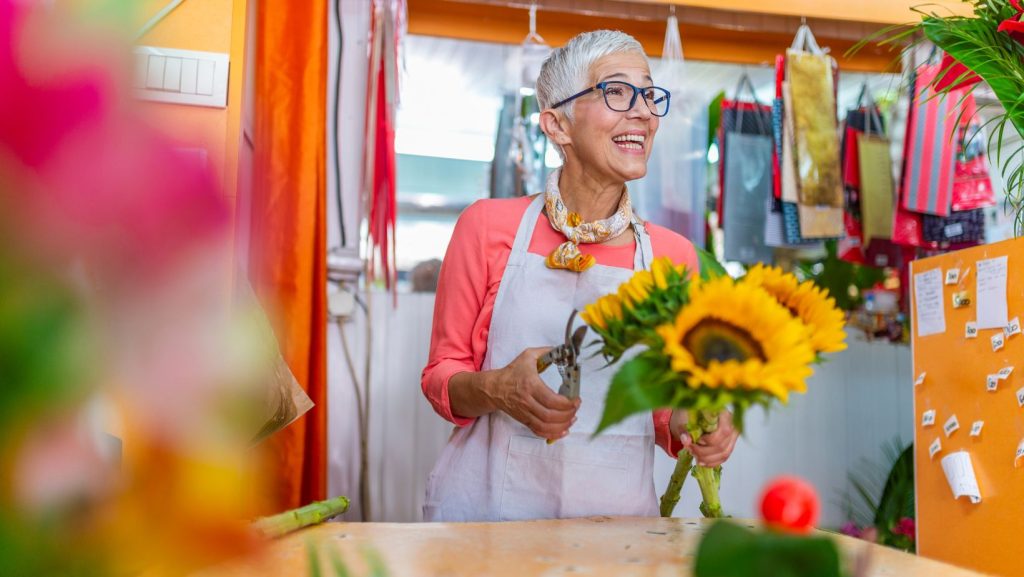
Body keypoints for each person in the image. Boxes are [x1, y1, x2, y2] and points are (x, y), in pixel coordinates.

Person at [420, 30, 738, 522]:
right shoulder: (485, 227)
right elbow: (442, 376)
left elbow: (659, 410)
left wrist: (694, 422)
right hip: (488, 520)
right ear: (557, 125)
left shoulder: (674, 258)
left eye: (649, 94)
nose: (643, 112)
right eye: (616, 91)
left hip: (618, 531)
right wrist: (497, 387)